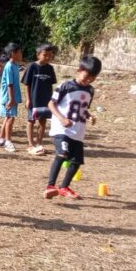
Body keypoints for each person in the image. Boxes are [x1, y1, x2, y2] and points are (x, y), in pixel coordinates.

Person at [43, 55, 101, 200]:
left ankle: (64, 187)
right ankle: (50, 186)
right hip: (61, 129)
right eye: (87, 76)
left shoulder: (90, 91)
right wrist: (61, 118)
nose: (89, 80)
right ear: (79, 70)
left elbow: (82, 109)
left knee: (77, 161)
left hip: (78, 131)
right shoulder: (66, 86)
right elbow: (51, 104)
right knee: (62, 153)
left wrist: (89, 116)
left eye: (93, 78)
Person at [23, 43, 59, 155]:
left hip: (46, 100)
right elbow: (27, 84)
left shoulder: (50, 68)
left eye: (50, 55)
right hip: (34, 99)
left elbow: (51, 85)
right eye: (45, 55)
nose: (47, 57)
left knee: (42, 121)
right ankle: (30, 144)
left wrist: (52, 99)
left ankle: (39, 143)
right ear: (38, 55)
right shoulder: (32, 67)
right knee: (31, 120)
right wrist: (28, 99)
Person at [0, 43, 23, 152]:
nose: (21, 54)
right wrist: (11, 99)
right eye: (19, 52)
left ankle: (1, 139)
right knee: (10, 118)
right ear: (13, 54)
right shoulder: (9, 66)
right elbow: (10, 84)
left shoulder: (15, 65)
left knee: (8, 117)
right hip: (9, 97)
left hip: (12, 96)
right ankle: (8, 141)